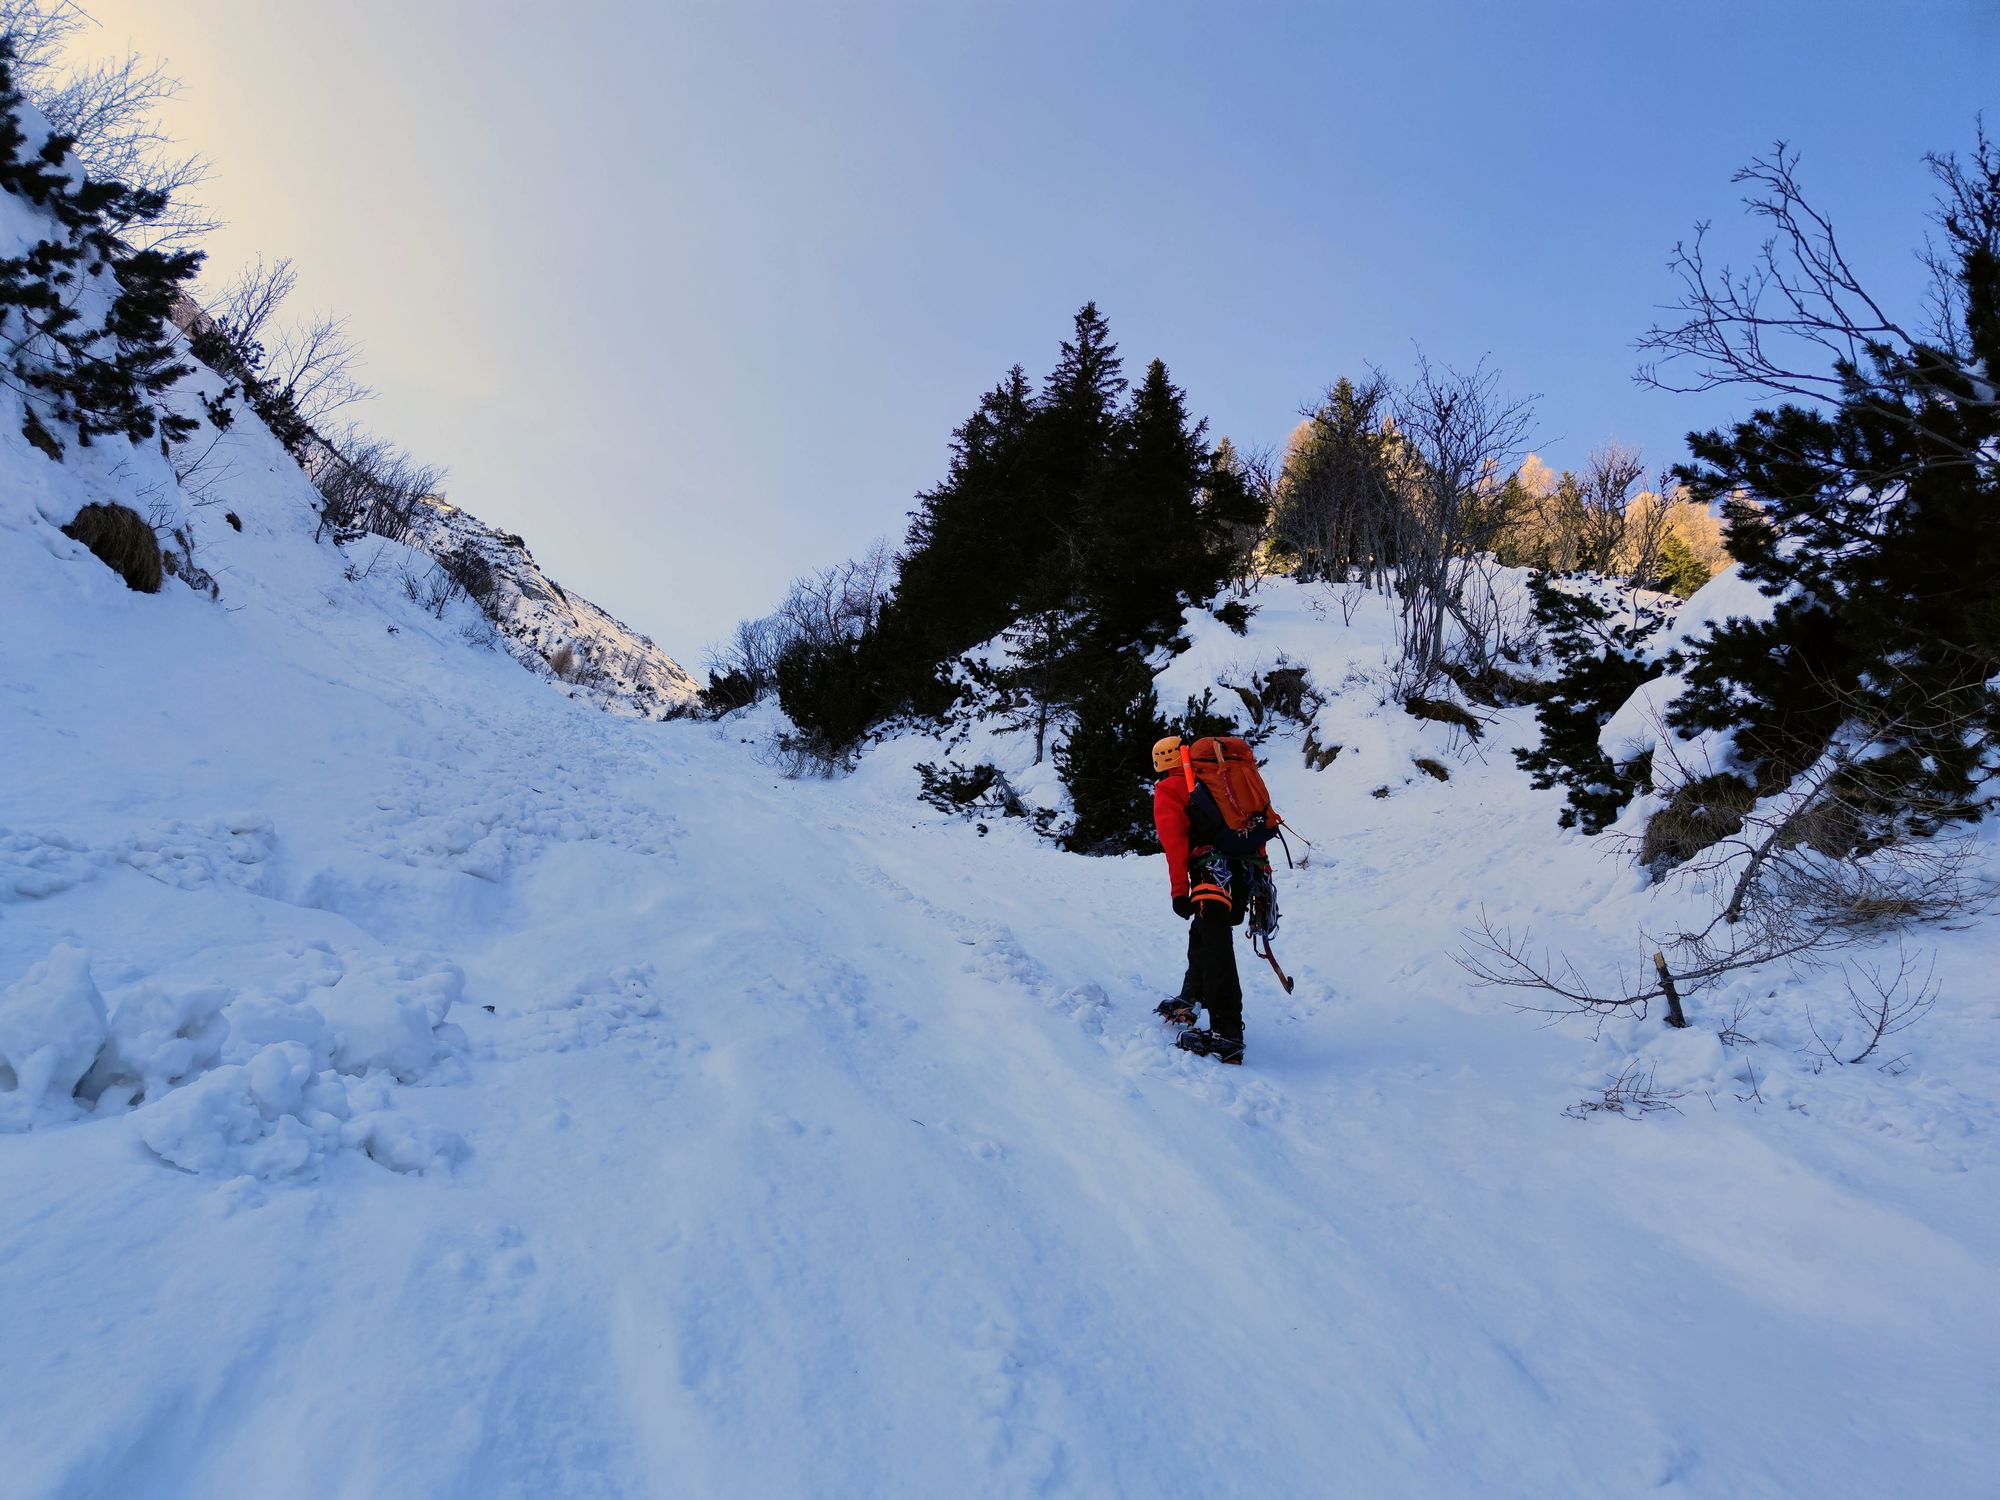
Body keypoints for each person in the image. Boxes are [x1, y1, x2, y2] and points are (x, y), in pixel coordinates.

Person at [1149, 735, 1280, 1064]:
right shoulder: (1225, 780)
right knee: (1206, 933)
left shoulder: (1171, 789)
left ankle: (1227, 1031)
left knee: (1216, 941)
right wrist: (1264, 872)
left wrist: (1180, 890)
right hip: (1248, 872)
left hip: (1213, 874)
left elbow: (1176, 844)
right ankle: (1192, 995)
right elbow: (1254, 826)